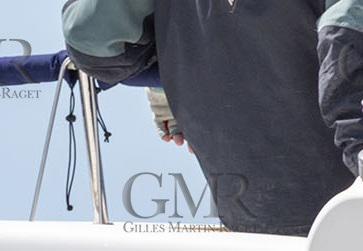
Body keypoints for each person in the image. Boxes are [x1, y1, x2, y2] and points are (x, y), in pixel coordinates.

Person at [62, 0, 354, 236]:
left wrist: (163, 80)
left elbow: (92, 41)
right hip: (291, 219)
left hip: (265, 224)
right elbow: (90, 41)